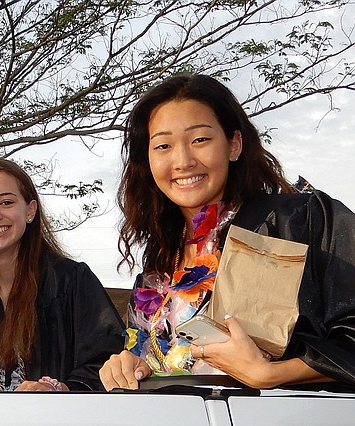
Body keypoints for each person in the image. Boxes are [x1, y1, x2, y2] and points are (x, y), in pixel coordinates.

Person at [99, 74, 355, 391]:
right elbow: (158, 364)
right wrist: (130, 366)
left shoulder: (300, 221)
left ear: (233, 145)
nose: (182, 160)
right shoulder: (157, 271)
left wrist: (273, 375)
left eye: (200, 140)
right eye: (163, 145)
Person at [0, 158, 124, 391]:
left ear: (30, 210)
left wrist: (61, 389)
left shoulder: (71, 281)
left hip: (58, 424)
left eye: (6, 202)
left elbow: (109, 362)